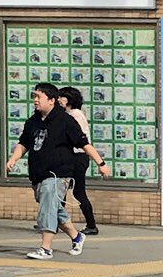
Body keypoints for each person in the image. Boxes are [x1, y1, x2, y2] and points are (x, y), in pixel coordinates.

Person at [7, 83, 112, 261]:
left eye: (38, 97)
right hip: (38, 173)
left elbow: (84, 144)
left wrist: (101, 163)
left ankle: (46, 248)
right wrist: (14, 158)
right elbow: (24, 143)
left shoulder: (65, 121)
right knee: (54, 209)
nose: (35, 100)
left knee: (47, 208)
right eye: (35, 96)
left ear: (51, 100)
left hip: (58, 173)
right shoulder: (32, 121)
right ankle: (76, 236)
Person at [58, 85, 100, 236]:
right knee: (61, 190)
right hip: (76, 157)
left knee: (78, 191)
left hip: (77, 157)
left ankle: (91, 225)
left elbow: (76, 139)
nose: (58, 100)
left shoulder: (74, 115)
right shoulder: (71, 113)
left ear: (68, 99)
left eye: (61, 97)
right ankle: (56, 221)